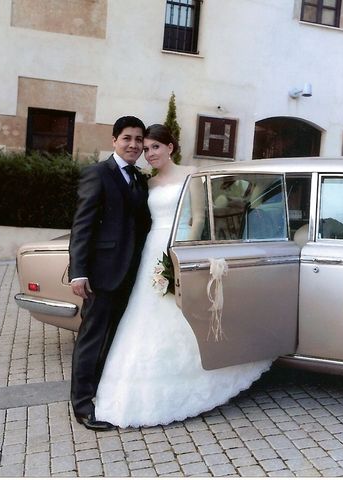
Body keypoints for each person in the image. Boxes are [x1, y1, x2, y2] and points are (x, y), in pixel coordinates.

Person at [94, 124, 273, 428]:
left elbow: (200, 216)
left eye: (155, 147)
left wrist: (179, 255)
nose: (149, 153)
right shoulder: (147, 183)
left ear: (170, 147)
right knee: (145, 312)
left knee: (183, 309)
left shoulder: (192, 174)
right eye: (146, 148)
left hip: (178, 245)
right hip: (151, 248)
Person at [68, 116, 151, 431]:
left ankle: (103, 396)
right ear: (114, 140)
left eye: (138, 139)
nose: (133, 145)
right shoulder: (97, 174)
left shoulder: (141, 178)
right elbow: (82, 225)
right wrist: (78, 272)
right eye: (127, 138)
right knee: (92, 339)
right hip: (102, 274)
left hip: (132, 274)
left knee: (113, 339)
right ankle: (82, 406)